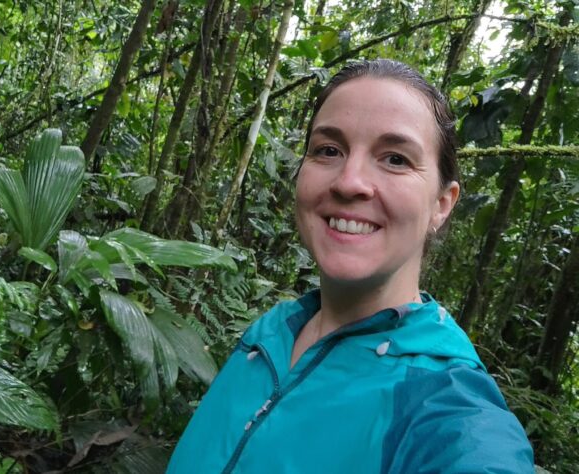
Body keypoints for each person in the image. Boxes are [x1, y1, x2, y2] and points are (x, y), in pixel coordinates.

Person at [166, 59, 534, 473]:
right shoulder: (272, 333)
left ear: (441, 204)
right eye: (328, 150)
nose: (349, 181)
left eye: (395, 158)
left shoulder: (446, 407)